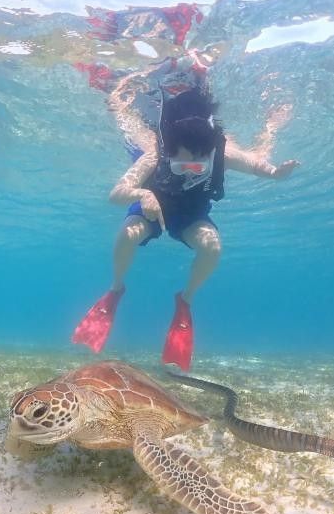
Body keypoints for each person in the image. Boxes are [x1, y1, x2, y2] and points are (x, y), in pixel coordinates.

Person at [72, 51, 299, 372]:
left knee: (212, 247)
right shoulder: (154, 153)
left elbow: (259, 166)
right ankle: (115, 289)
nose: (192, 170)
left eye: (199, 164)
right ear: (169, 154)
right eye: (183, 164)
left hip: (189, 212)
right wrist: (141, 193)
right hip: (153, 204)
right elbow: (116, 194)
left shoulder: (221, 151)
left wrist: (276, 173)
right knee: (126, 234)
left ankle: (185, 300)